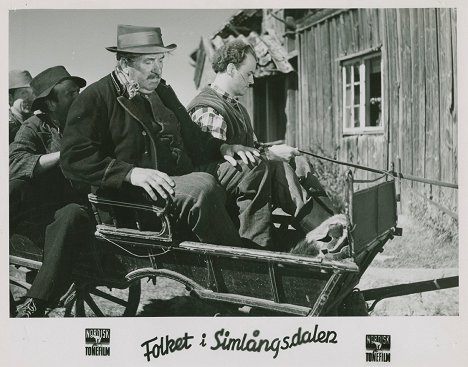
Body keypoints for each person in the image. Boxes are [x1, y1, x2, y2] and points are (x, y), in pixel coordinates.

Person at [61, 24, 275, 250]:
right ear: (124, 64)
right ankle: (242, 268)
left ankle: (260, 252)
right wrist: (129, 173)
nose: (157, 69)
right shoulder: (96, 97)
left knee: (252, 166)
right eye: (148, 62)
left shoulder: (162, 90)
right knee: (202, 187)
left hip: (184, 174)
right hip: (138, 197)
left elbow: (193, 136)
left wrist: (223, 148)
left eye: (160, 60)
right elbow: (73, 159)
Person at [187, 40, 335, 236]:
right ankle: (326, 233)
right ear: (231, 69)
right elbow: (213, 165)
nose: (252, 81)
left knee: (298, 162)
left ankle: (332, 220)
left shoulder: (237, 107)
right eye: (248, 74)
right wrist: (270, 155)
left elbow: (253, 146)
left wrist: (276, 151)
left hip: (248, 177)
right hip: (216, 194)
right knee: (278, 167)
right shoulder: (208, 109)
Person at [10, 66, 92, 317]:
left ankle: (36, 302)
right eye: (70, 93)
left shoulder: (88, 124)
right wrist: (60, 156)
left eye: (79, 91)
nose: (79, 97)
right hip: (40, 205)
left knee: (72, 215)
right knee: (14, 186)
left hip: (75, 203)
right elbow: (15, 161)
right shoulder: (35, 126)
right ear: (51, 103)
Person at [9, 69, 35, 143]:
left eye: (33, 93)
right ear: (10, 98)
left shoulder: (37, 124)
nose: (31, 98)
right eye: (24, 93)